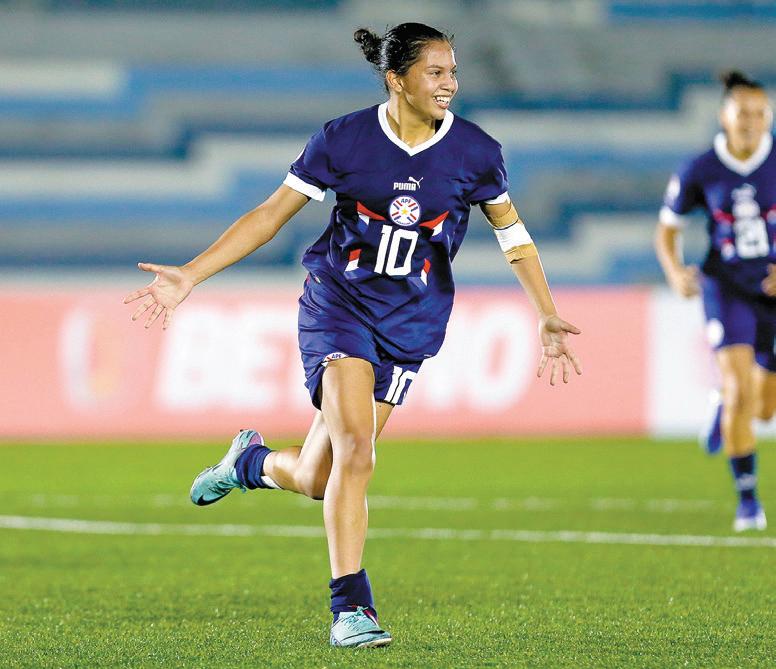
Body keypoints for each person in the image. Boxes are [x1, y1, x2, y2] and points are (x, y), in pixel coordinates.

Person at [124, 23, 582, 648]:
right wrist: (192, 274)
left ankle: (249, 463)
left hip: (411, 322)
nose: (450, 83)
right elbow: (270, 215)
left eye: (453, 71)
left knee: (321, 477)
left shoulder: (476, 151)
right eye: (436, 72)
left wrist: (545, 311)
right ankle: (351, 608)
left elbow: (514, 236)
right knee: (359, 452)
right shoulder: (344, 139)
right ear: (398, 80)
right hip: (338, 307)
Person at [655, 70, 775, 532]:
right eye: (743, 113)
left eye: (760, 113)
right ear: (724, 116)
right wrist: (674, 270)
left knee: (763, 408)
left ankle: (724, 402)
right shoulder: (701, 168)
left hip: (771, 293)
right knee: (741, 390)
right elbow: (667, 228)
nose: (751, 121)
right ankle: (748, 502)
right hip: (726, 288)